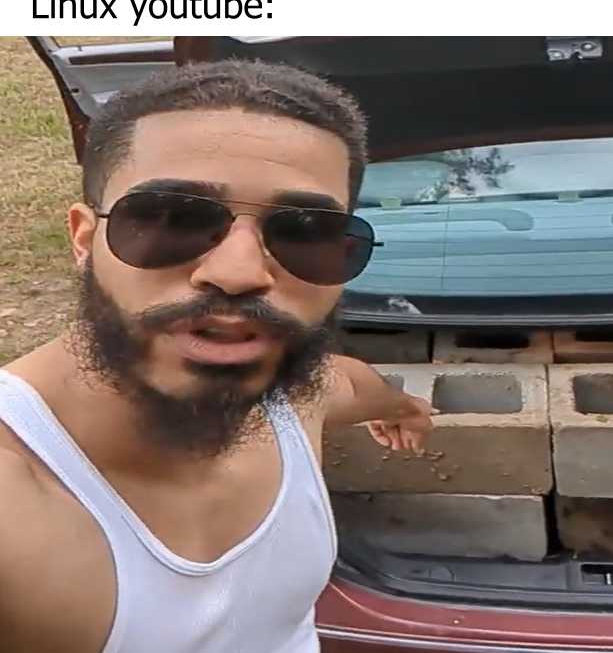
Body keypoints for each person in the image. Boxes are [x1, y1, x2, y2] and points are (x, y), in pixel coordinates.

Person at [0, 59, 434, 652]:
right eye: (175, 218)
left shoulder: (293, 397)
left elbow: (352, 386)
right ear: (83, 239)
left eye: (304, 230)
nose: (239, 274)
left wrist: (403, 407)